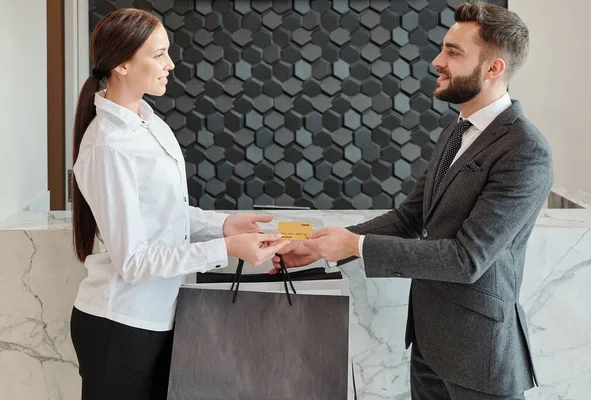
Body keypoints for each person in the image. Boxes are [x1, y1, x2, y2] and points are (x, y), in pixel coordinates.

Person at [272, 2, 552, 399]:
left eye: (454, 52)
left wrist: (355, 245)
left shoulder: (525, 149)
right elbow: (410, 216)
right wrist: (323, 248)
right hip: (428, 344)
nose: (437, 61)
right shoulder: (455, 133)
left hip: (481, 356)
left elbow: (466, 259)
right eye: (443, 48)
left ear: (494, 68)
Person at [69, 8, 289, 400]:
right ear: (122, 63)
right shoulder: (109, 146)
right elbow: (135, 261)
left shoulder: (150, 123)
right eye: (159, 54)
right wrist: (224, 250)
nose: (170, 64)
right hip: (119, 325)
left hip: (160, 316)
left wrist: (223, 226)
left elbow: (163, 213)